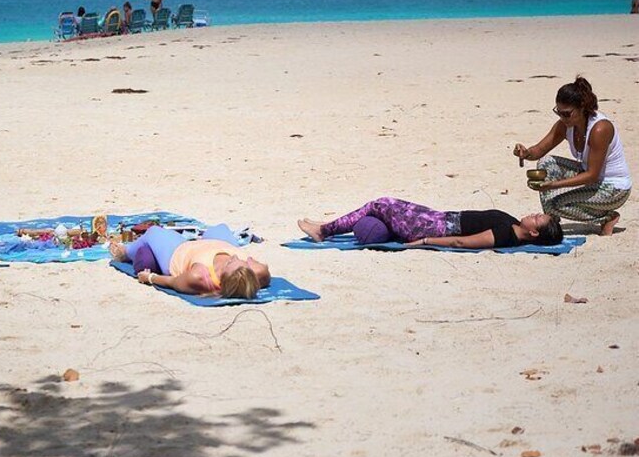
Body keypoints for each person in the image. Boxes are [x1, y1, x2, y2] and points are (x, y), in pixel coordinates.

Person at [513, 76, 631, 235]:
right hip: (590, 177)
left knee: (554, 202)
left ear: (582, 107)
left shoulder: (600, 129)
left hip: (614, 188)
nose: (562, 117)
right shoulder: (565, 125)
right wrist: (525, 153)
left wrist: (554, 185)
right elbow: (539, 150)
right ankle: (552, 221)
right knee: (546, 162)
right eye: (558, 112)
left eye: (566, 113)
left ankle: (606, 218)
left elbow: (592, 175)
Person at [298, 197, 563, 249]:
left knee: (379, 204)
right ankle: (329, 226)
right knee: (382, 207)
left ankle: (324, 230)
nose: (534, 213)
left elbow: (462, 242)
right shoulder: (513, 223)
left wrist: (424, 242)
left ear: (533, 232)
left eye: (539, 218)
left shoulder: (505, 234)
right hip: (439, 217)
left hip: (431, 228)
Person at [110, 224, 270, 299]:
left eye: (229, 263)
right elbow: (262, 270)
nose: (234, 258)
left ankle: (125, 252)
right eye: (243, 263)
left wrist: (150, 278)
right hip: (220, 243)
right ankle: (204, 236)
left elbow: (173, 282)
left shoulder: (199, 276)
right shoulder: (253, 273)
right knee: (221, 228)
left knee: (153, 232)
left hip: (180, 251)